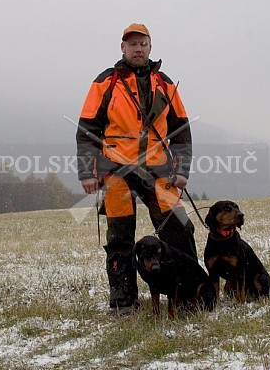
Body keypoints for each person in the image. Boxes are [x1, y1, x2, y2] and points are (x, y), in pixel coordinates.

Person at [76, 23, 197, 314]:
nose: (138, 48)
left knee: (181, 230)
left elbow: (181, 130)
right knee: (120, 241)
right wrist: (87, 172)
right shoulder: (105, 82)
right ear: (122, 48)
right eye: (132, 44)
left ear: (150, 47)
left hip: (159, 171)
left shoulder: (165, 84)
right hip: (116, 172)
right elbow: (87, 130)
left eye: (143, 43)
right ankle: (123, 303)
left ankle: (191, 295)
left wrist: (182, 171)